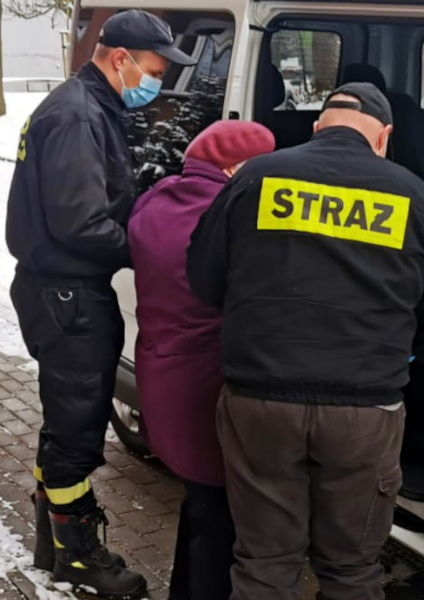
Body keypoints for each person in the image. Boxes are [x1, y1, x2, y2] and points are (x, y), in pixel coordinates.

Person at [187, 82, 424, 600]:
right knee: (351, 570)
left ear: (318, 127)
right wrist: (404, 358)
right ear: (383, 137)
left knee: (264, 564)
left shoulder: (256, 177)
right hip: (364, 410)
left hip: (260, 400)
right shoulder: (417, 197)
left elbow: (205, 280)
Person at [5, 9, 194, 599]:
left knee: (66, 422)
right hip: (66, 296)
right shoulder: (78, 116)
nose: (156, 83)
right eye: (154, 72)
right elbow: (82, 223)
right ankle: (79, 557)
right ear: (121, 59)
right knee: (77, 431)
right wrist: (153, 247)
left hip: (63, 291)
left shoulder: (87, 105)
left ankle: (52, 541)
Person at [127, 120, 276, 600]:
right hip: (205, 385)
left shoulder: (155, 200)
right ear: (234, 167)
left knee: (200, 505)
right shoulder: (227, 215)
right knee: (218, 518)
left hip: (161, 373)